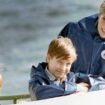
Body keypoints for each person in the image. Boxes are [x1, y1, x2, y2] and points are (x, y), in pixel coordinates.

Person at [59, 1, 105, 78]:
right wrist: (74, 86)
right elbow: (52, 67)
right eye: (104, 18)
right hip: (70, 86)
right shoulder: (72, 31)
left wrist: (90, 83)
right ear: (99, 15)